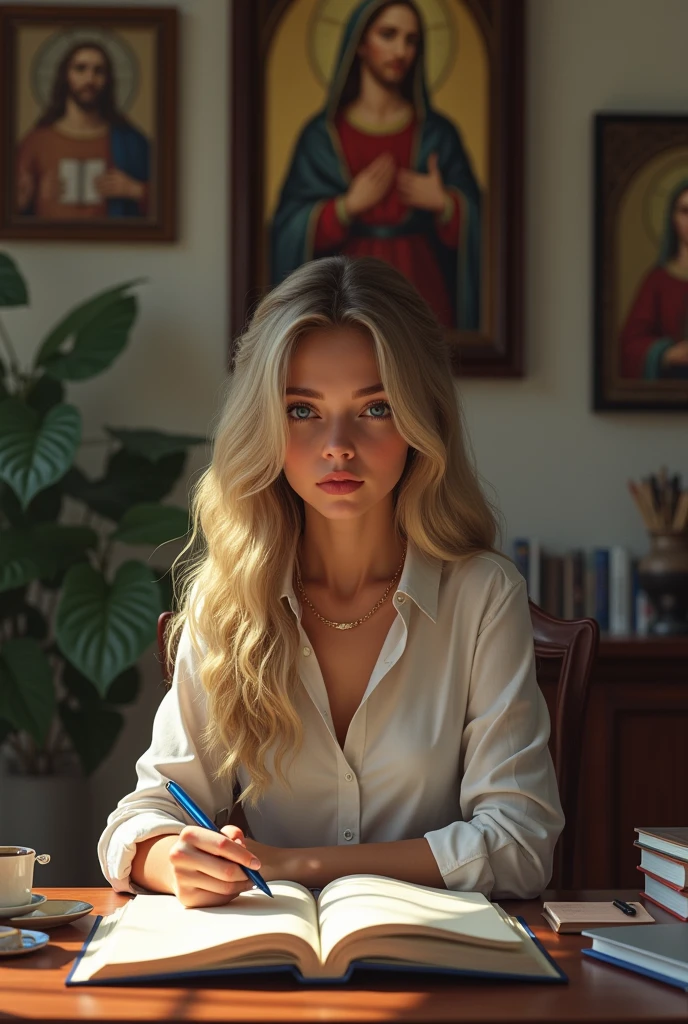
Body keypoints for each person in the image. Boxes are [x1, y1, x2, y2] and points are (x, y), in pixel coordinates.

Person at [98, 255, 563, 908]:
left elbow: (520, 844)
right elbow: (140, 819)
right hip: (265, 963)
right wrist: (170, 858)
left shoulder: (483, 596)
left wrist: (297, 863)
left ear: (420, 423)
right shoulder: (227, 602)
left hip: (443, 966)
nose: (337, 445)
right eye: (302, 410)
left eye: (374, 407)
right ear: (265, 424)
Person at [270, 0, 481, 331]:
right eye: (388, 35)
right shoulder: (322, 137)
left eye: (411, 40)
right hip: (344, 298)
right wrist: (346, 207)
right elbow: (287, 230)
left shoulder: (436, 134)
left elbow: (484, 227)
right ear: (361, 45)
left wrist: (445, 204)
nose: (401, 50)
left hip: (421, 293)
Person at [15, 40, 149, 220]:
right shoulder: (36, 141)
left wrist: (135, 190)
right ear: (65, 76)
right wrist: (35, 195)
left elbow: (168, 202)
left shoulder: (130, 141)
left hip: (116, 245)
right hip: (50, 245)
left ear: (108, 80)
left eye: (99, 71)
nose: (90, 79)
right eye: (80, 69)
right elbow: (14, 208)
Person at [619, 178, 688, 379]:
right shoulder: (658, 281)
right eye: (685, 212)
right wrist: (667, 354)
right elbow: (630, 345)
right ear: (672, 219)